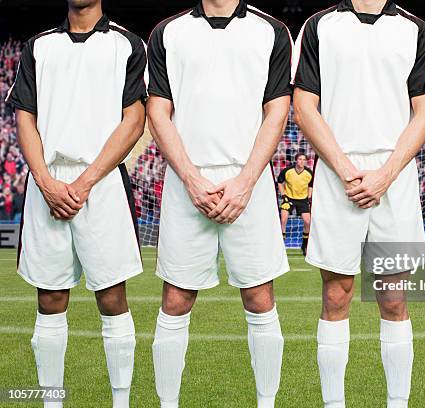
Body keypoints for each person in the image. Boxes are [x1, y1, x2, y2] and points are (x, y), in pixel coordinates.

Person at [146, 1, 292, 407]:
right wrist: (191, 178)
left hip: (250, 179)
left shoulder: (272, 30)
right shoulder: (168, 32)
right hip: (186, 178)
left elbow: (277, 110)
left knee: (260, 297)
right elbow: (158, 111)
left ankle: (267, 402)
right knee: (175, 299)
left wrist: (246, 182)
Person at [292, 0, 425, 406]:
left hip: (395, 174)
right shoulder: (319, 26)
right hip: (339, 174)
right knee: (336, 295)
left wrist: (386, 174)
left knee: (393, 298)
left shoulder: (416, 29)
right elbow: (303, 107)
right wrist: (344, 169)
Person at [6, 0, 147, 407]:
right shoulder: (39, 46)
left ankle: (120, 401)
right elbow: (25, 118)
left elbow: (134, 121)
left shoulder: (127, 44)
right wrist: (47, 182)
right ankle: (52, 401)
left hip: (101, 182)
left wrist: (84, 182)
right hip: (46, 180)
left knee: (112, 297)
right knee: (50, 298)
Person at [277, 152, 313, 254]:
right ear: (296, 160)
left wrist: (309, 197)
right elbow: (280, 182)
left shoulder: (309, 173)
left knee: (307, 221)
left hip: (302, 200)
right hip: (289, 198)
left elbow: (311, 185)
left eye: (304, 160)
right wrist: (284, 196)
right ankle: (281, 246)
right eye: (300, 159)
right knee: (283, 219)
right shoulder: (288, 171)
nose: (302, 161)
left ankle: (304, 245)